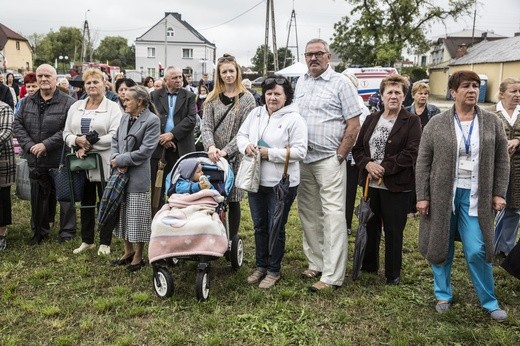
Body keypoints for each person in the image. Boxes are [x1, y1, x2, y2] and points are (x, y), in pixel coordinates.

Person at [416, 70, 509, 321]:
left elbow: (502, 159)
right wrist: (423, 195)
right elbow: (423, 161)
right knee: (440, 245)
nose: (472, 90)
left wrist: (499, 192)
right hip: (442, 194)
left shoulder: (491, 122)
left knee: (478, 248)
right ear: (453, 92)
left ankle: (489, 301)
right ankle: (443, 294)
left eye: (476, 86)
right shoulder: (436, 124)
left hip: (478, 194)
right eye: (466, 86)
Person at [295, 38, 362, 292]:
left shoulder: (341, 83)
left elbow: (354, 124)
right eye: (309, 54)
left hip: (329, 159)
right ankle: (316, 261)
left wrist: (340, 155)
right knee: (308, 214)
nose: (313, 58)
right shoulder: (301, 82)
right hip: (304, 160)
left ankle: (333, 275)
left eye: (318, 54)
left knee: (333, 216)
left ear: (328, 56)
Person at [237, 75, 308, 289]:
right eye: (269, 93)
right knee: (259, 226)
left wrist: (271, 153)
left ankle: (274, 270)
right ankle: (261, 265)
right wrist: (246, 146)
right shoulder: (255, 114)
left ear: (286, 96)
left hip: (281, 183)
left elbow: (300, 151)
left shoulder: (295, 119)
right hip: (256, 180)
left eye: (278, 93)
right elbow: (241, 135)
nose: (272, 98)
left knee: (276, 226)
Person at [352, 75, 422, 285]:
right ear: (381, 96)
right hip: (370, 184)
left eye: (398, 92)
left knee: (393, 229)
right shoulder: (372, 119)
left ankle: (392, 273)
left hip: (397, 185)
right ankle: (369, 265)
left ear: (404, 96)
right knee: (370, 225)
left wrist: (383, 168)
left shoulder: (411, 121)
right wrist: (367, 164)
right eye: (389, 92)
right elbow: (358, 149)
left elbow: (411, 152)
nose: (393, 96)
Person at [13, 64, 77, 244]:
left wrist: (46, 145)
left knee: (65, 197)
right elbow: (17, 125)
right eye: (40, 76)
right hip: (36, 157)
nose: (43, 79)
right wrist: (30, 145)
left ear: (55, 79)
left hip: (60, 157)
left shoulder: (69, 102)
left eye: (47, 75)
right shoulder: (27, 102)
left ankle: (67, 232)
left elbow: (68, 128)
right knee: (38, 196)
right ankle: (40, 231)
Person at [63, 68, 122, 255]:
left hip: (103, 162)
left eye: (95, 82)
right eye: (88, 83)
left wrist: (88, 145)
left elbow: (115, 135)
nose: (91, 86)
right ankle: (87, 240)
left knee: (105, 200)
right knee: (86, 200)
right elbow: (66, 133)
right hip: (80, 162)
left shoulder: (112, 107)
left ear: (104, 84)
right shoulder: (76, 106)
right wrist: (76, 141)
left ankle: (105, 241)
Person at [201, 53, 256, 242]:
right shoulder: (212, 97)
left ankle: (231, 238)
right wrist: (211, 146)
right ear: (219, 74)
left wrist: (227, 150)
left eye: (231, 70)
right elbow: (206, 125)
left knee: (233, 199)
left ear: (237, 71)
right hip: (213, 155)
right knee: (212, 196)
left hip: (236, 155)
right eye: (224, 71)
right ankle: (212, 234)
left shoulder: (247, 99)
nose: (228, 75)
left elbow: (246, 130)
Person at [110, 85, 160, 271]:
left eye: (128, 99)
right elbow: (115, 140)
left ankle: (138, 256)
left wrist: (120, 160)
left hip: (138, 176)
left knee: (137, 217)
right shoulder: (124, 117)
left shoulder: (152, 120)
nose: (124, 102)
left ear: (139, 102)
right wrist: (115, 158)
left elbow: (146, 151)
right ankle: (127, 251)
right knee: (122, 214)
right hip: (120, 175)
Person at [150, 66, 197, 211]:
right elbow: (150, 118)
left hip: (182, 147)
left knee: (182, 183)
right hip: (159, 147)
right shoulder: (154, 96)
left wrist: (172, 135)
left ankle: (180, 214)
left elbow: (191, 119)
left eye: (180, 77)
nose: (179, 80)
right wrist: (161, 137)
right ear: (165, 80)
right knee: (157, 185)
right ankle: (157, 218)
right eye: (174, 78)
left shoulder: (189, 96)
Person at [493, 77, 520, 256]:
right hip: (496, 170)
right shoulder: (490, 114)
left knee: (514, 209)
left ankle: (505, 247)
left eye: (519, 92)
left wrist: (518, 140)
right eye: (513, 91)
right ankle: (489, 246)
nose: (518, 95)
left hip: (518, 171)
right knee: (493, 209)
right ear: (502, 94)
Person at [342, 72, 370, 235]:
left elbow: (360, 131)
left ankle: (345, 223)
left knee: (348, 191)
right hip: (339, 153)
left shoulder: (359, 105)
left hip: (351, 156)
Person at [0, 101, 15, 251]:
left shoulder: (3, 108)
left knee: (2, 197)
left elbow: (6, 132)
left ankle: (1, 233)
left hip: (2, 158)